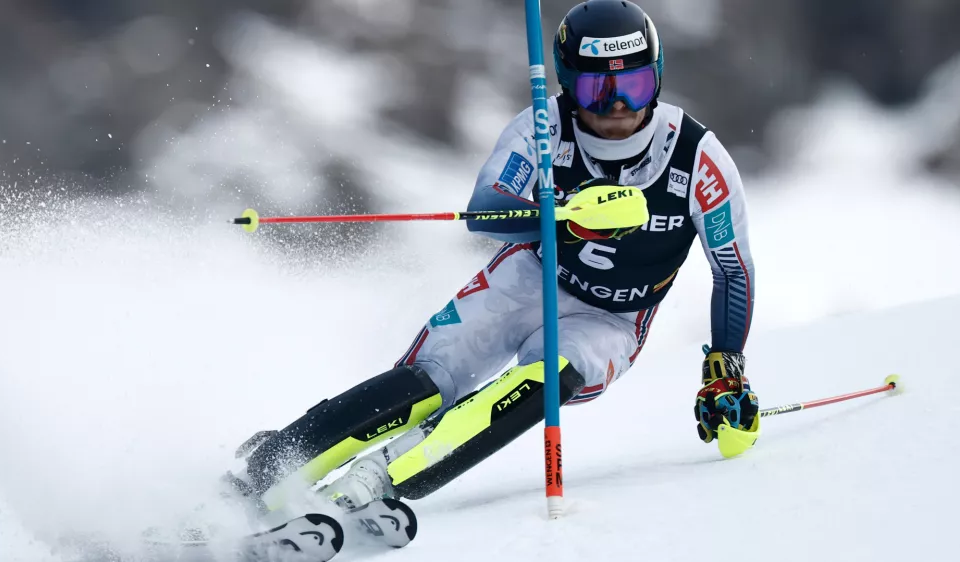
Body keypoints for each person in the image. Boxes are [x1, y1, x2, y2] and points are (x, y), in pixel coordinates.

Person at [228, 0, 759, 515]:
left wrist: (725, 369)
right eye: (598, 89)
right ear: (569, 84)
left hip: (613, 319)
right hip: (529, 278)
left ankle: (376, 481)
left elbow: (732, 270)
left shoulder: (697, 158)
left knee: (547, 376)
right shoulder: (543, 127)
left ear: (657, 76)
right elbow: (485, 210)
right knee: (433, 376)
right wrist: (564, 220)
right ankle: (275, 464)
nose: (619, 105)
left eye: (635, 84)